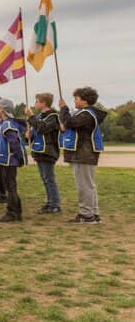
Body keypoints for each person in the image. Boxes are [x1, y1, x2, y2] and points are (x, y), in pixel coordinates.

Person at [59, 87, 106, 224]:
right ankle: (93, 213)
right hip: (83, 153)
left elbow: (70, 123)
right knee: (88, 185)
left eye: (76, 98)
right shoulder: (84, 113)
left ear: (85, 101)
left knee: (84, 185)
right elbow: (70, 126)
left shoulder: (87, 114)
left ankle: (86, 215)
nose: (74, 100)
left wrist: (63, 108)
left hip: (84, 153)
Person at [26, 93, 62, 215]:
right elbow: (36, 130)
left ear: (44, 103)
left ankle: (55, 205)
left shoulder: (53, 116)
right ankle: (49, 202)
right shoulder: (39, 116)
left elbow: (43, 128)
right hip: (39, 151)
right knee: (45, 179)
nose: (35, 104)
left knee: (49, 179)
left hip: (48, 151)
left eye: (37, 101)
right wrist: (28, 136)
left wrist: (31, 117)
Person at [0, 99, 26, 223]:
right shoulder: (5, 123)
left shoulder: (7, 124)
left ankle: (12, 213)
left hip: (9, 161)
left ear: (2, 110)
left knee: (10, 187)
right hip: (6, 161)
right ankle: (17, 211)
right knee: (10, 186)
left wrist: (19, 157)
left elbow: (14, 142)